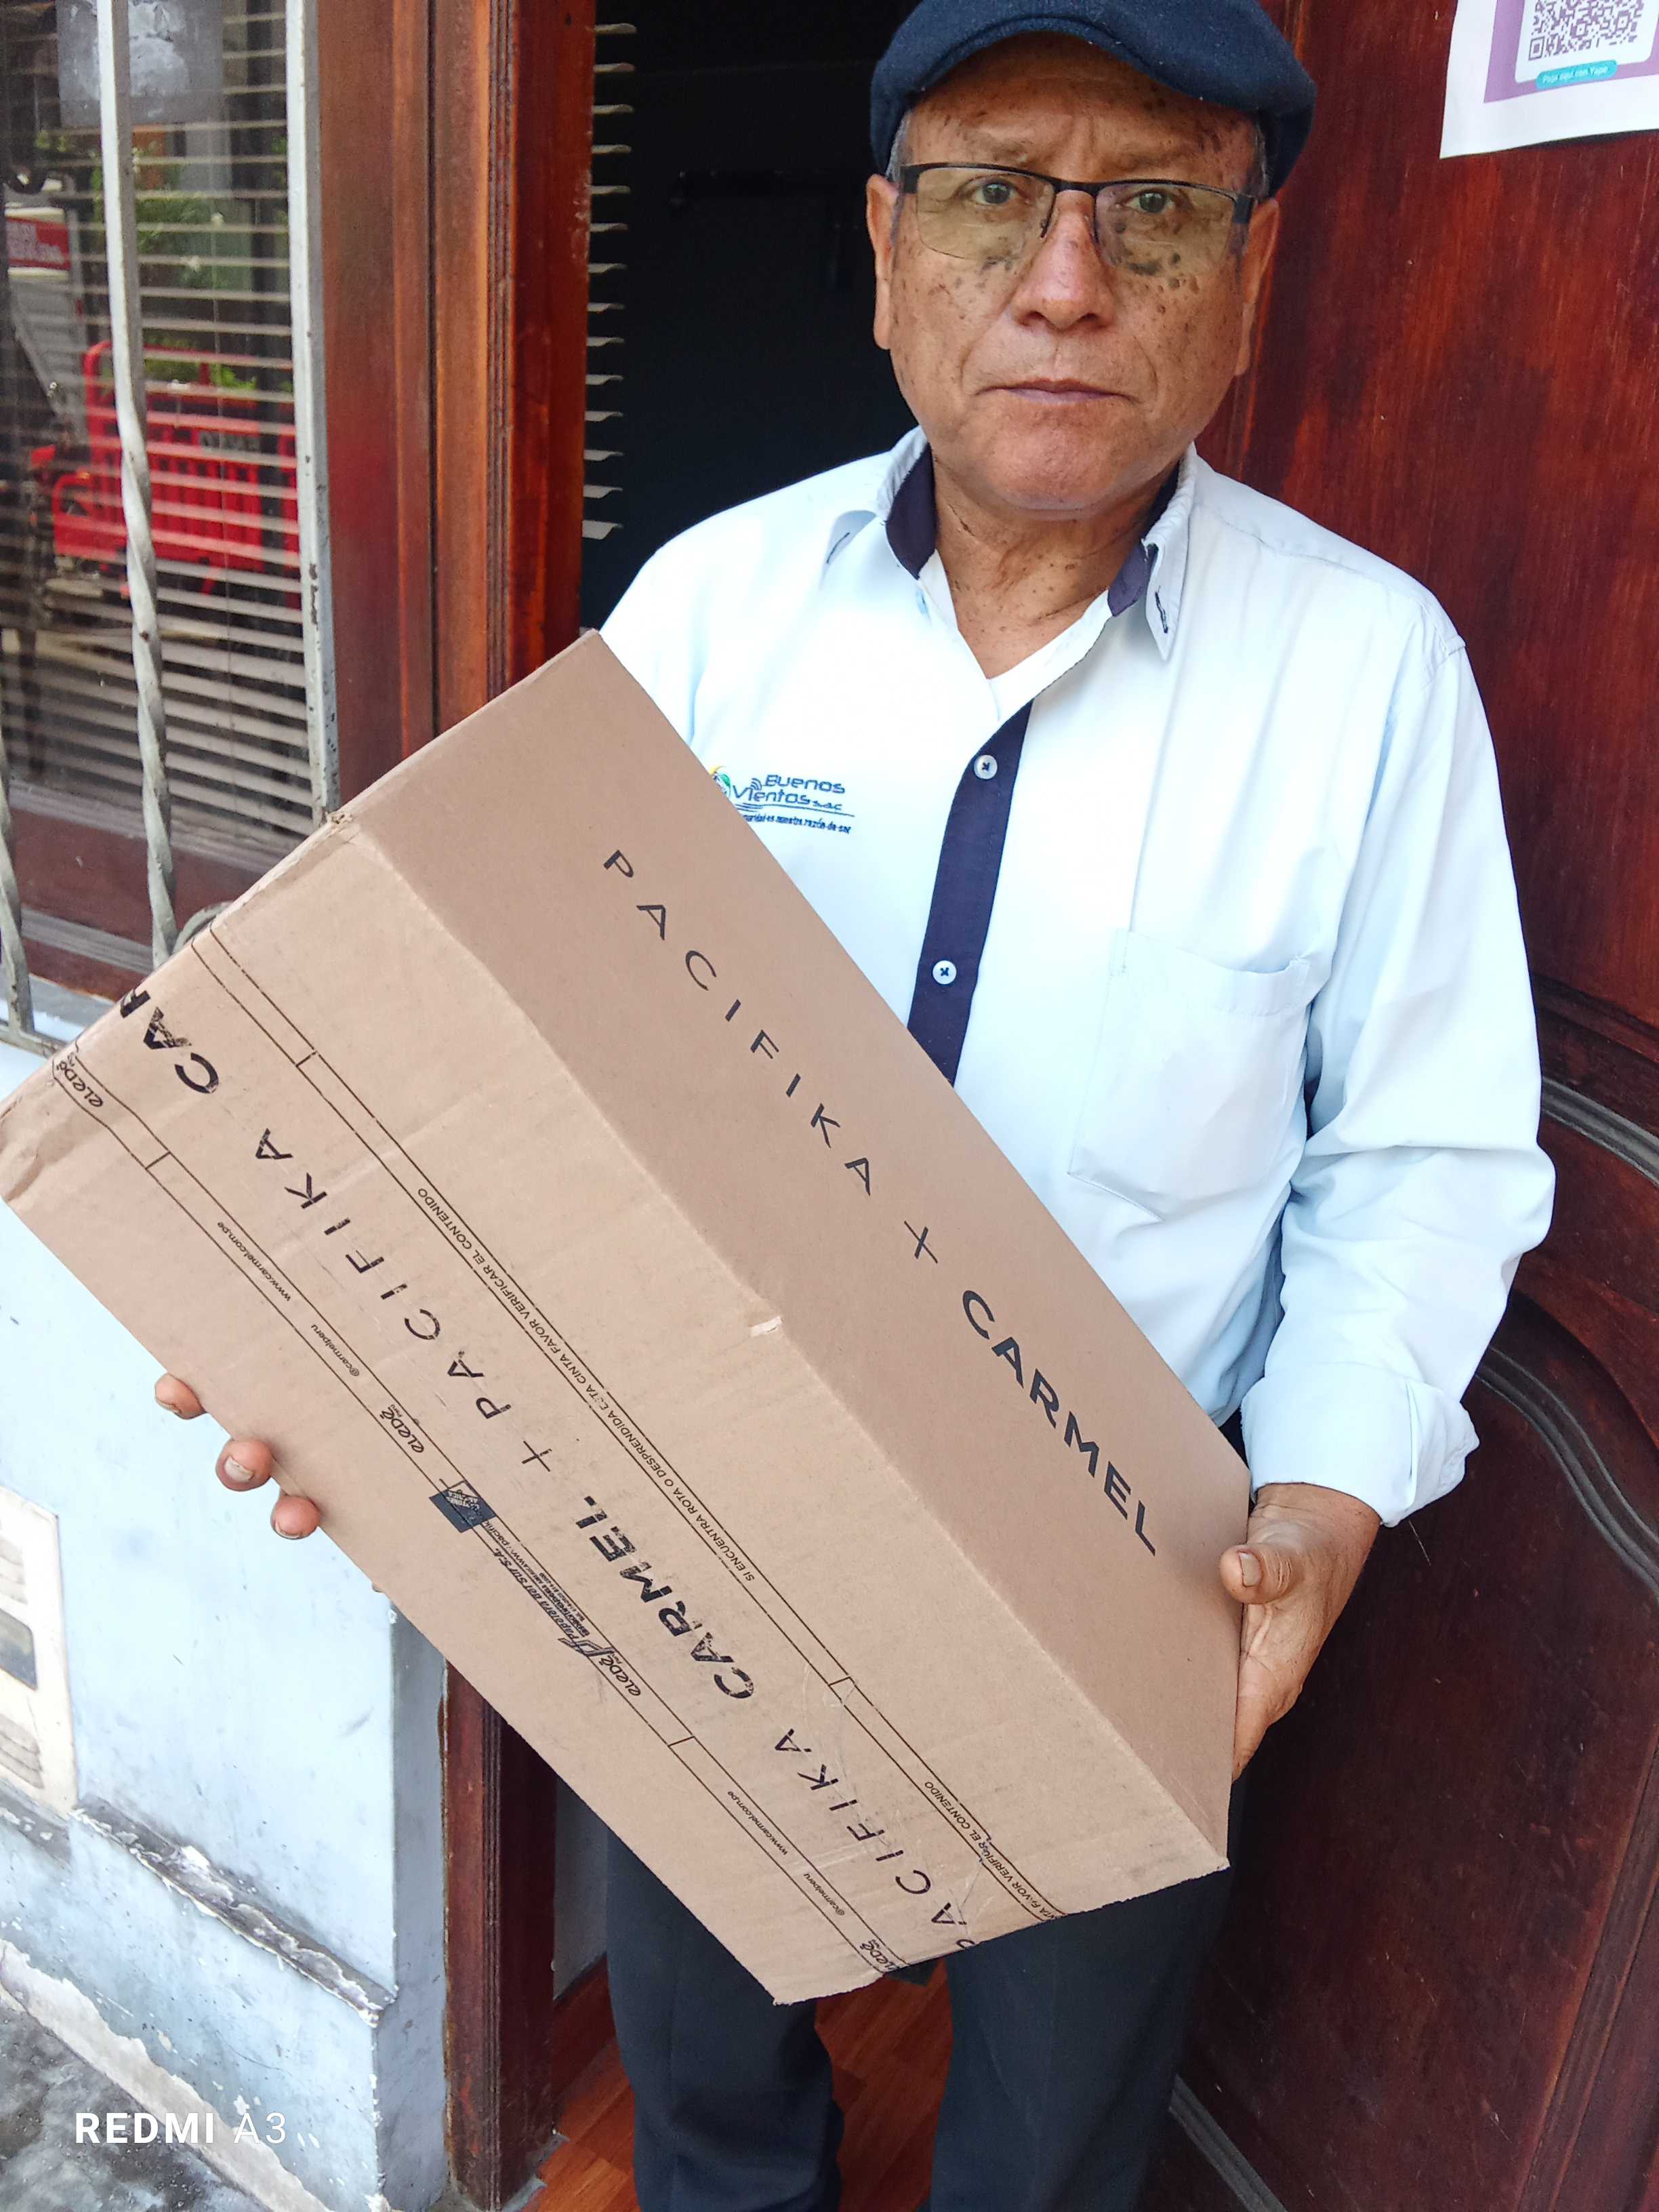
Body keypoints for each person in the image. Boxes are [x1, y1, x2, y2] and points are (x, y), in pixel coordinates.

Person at [157, 1, 1556, 2204]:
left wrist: (1327, 1501)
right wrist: (342, 1355)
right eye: (996, 198)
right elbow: (515, 1048)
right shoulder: (717, 613)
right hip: (701, 1512)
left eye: (1152, 210)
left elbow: (1424, 1156)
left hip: (1127, 1572)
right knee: (705, 2073)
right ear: (892, 252)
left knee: (1052, 2132)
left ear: (1250, 274)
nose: (1066, 282)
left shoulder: (1370, 677)